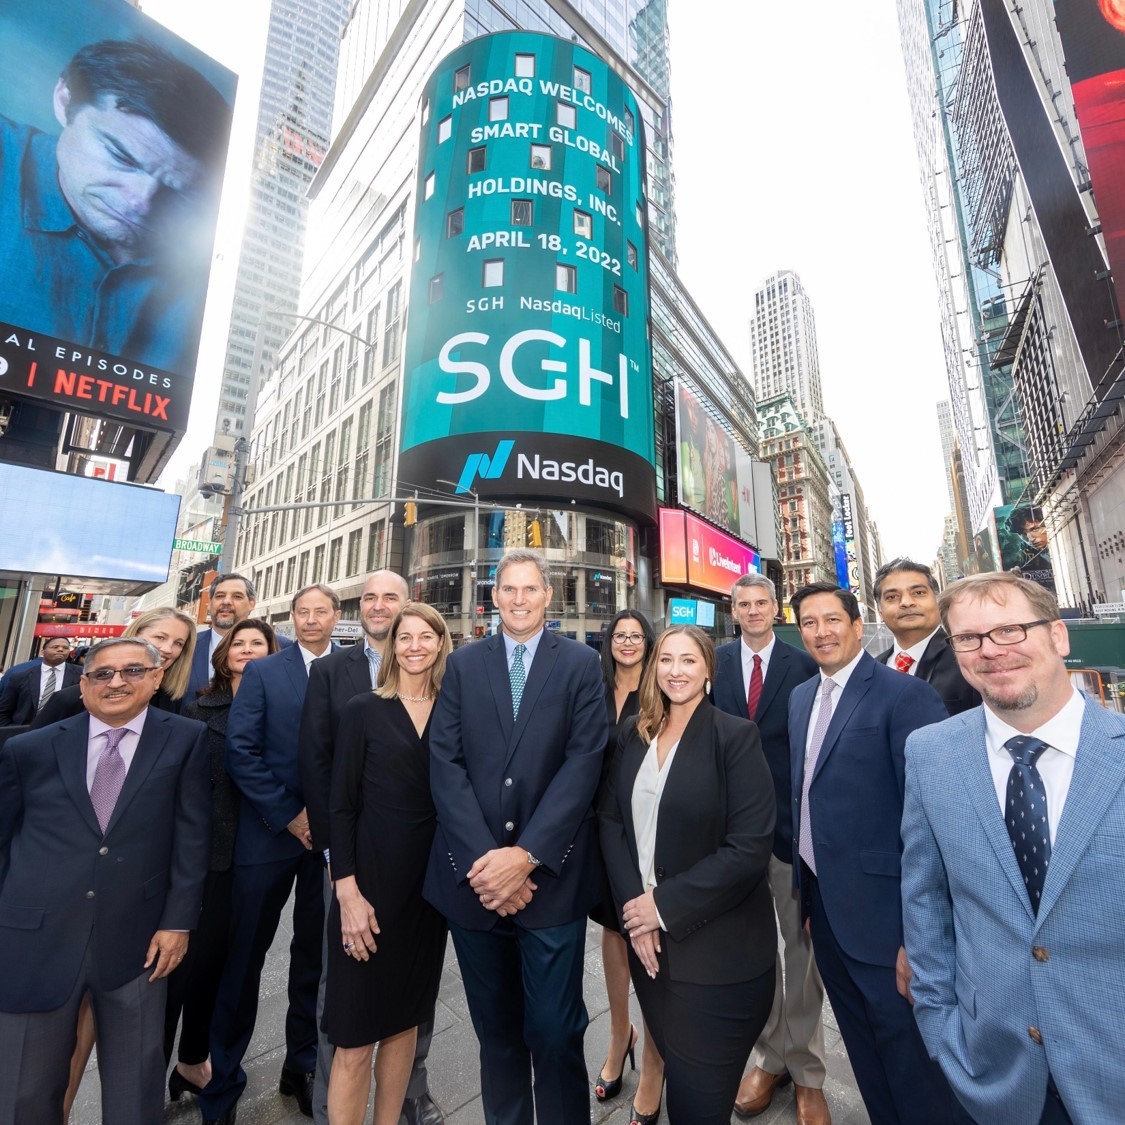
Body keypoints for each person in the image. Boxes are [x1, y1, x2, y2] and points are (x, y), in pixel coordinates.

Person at [901, 573, 1125, 1124]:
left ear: (1058, 636)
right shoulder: (931, 755)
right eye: (969, 639)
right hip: (994, 1074)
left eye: (1010, 630)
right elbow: (925, 897)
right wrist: (939, 1025)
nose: (991, 652)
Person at [424, 549, 607, 1125]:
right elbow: (445, 762)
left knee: (555, 1032)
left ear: (549, 596)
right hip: (476, 885)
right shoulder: (463, 663)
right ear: (494, 596)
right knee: (496, 1036)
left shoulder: (580, 663)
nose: (520, 599)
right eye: (509, 589)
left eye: (531, 589)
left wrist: (525, 858)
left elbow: (584, 763)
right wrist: (489, 863)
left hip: (549, 882)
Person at [0, 636, 209, 1122]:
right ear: (85, 683)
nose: (117, 682)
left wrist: (178, 922)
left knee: (134, 1090)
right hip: (35, 938)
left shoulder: (184, 739)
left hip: (139, 941)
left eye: (133, 671)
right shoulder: (28, 748)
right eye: (103, 673)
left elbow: (192, 838)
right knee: (21, 1092)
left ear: (157, 678)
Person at [787, 583, 956, 1125]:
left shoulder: (904, 696)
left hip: (889, 922)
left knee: (912, 1063)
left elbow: (932, 822)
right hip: (826, 913)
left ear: (858, 626)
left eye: (832, 619)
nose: (821, 632)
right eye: (809, 623)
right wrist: (808, 901)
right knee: (863, 1054)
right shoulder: (799, 699)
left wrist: (920, 936)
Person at [599, 625, 776, 1124]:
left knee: (699, 1105)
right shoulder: (634, 731)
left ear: (708, 672)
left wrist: (662, 906)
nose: (676, 671)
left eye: (689, 661)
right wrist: (637, 912)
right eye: (667, 660)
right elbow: (610, 821)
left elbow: (748, 849)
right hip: (650, 953)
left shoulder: (735, 737)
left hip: (719, 960)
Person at [299, 570, 443, 1125]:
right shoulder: (362, 707)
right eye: (404, 637)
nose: (413, 646)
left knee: (406, 1023)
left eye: (424, 636)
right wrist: (347, 888)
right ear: (391, 643)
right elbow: (341, 804)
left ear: (439, 642)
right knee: (353, 1032)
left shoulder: (453, 709)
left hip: (426, 892)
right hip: (367, 884)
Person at [0, 38, 231, 374]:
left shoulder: (209, 269)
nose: (141, 202)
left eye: (177, 190)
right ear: (64, 101)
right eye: (121, 156)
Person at [199, 584, 340, 1125]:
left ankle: (300, 1063)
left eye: (319, 610)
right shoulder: (264, 672)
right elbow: (242, 751)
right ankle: (224, 1079)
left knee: (314, 956)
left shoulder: (356, 669)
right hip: (269, 835)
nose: (310, 619)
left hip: (329, 843)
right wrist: (290, 815)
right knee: (245, 959)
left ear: (334, 616)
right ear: (291, 619)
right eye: (301, 611)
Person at [712, 575, 828, 1125]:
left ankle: (807, 1072)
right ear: (732, 611)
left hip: (788, 833)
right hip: (730, 835)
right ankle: (771, 1057)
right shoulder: (711, 663)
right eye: (744, 604)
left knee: (801, 954)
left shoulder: (803, 664)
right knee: (756, 952)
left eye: (762, 603)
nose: (754, 611)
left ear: (774, 609)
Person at [166, 619, 280, 1103]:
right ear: (223, 653)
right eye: (240, 643)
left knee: (227, 966)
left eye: (259, 644)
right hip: (206, 855)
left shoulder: (283, 707)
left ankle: (194, 1062)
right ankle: (154, 1070)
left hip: (257, 852)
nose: (248, 650)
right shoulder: (197, 708)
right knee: (184, 966)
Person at [591, 609, 665, 1125]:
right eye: (620, 635)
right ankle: (621, 1035)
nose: (628, 642)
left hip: (647, 827)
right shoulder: (591, 686)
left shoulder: (663, 687)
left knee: (648, 934)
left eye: (637, 635)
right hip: (596, 827)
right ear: (608, 642)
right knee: (613, 932)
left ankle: (657, 1063)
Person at [33, 606, 197, 726]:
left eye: (178, 643)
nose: (168, 649)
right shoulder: (71, 700)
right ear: (136, 634)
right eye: (160, 637)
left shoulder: (173, 703)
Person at [873, 557, 981, 716]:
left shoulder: (970, 656)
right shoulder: (873, 669)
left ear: (938, 601)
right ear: (880, 611)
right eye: (892, 597)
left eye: (918, 593)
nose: (907, 602)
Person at [187, 573, 282, 700]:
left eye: (237, 596)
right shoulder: (187, 645)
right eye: (220, 596)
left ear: (251, 604)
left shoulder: (283, 648)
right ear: (210, 604)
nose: (226, 602)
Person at [0, 635, 79, 724]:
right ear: (43, 651)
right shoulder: (20, 676)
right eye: (55, 647)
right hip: (23, 732)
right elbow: (4, 710)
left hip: (62, 731)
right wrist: (9, 731)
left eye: (65, 648)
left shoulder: (81, 675)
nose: (61, 649)